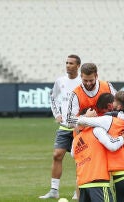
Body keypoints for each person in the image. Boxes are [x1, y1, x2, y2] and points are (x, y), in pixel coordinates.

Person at [39, 54, 82, 199]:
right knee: (57, 155)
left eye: (71, 63)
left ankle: (78, 191)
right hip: (64, 127)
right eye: (66, 63)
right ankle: (54, 190)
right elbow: (53, 97)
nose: (68, 65)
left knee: (80, 159)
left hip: (79, 127)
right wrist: (56, 114)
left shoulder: (83, 82)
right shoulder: (60, 81)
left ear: (78, 66)